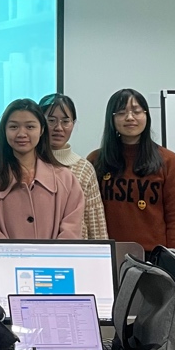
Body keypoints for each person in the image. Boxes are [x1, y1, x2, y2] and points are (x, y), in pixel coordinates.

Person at [88, 89, 175, 252]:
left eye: (136, 111)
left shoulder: (169, 161)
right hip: (108, 254)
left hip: (154, 257)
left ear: (146, 115)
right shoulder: (96, 160)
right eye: (121, 112)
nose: (129, 117)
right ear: (112, 118)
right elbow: (88, 216)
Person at [0, 98, 83, 240]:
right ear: (4, 131)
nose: (21, 134)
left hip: (58, 256)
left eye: (30, 127)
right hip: (3, 256)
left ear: (42, 130)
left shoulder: (66, 179)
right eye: (14, 127)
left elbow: (71, 233)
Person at [39, 93, 109, 240]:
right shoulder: (29, 164)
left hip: (75, 250)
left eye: (66, 121)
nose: (58, 128)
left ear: (73, 123)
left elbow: (96, 225)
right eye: (51, 120)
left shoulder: (84, 168)